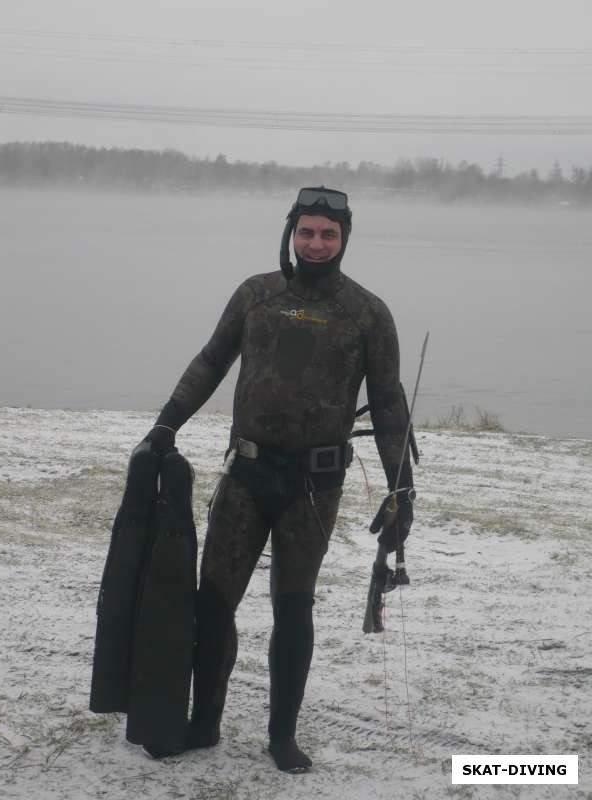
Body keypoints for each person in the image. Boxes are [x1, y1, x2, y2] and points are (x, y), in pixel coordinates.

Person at [142, 187, 414, 771]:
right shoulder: (256, 295)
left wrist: (401, 488)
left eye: (328, 234)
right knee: (213, 603)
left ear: (344, 239)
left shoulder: (367, 313)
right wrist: (164, 427)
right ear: (292, 232)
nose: (316, 244)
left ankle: (281, 736)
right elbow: (211, 361)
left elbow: (389, 405)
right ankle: (204, 722)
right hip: (246, 474)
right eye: (307, 232)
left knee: (294, 609)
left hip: (313, 490)